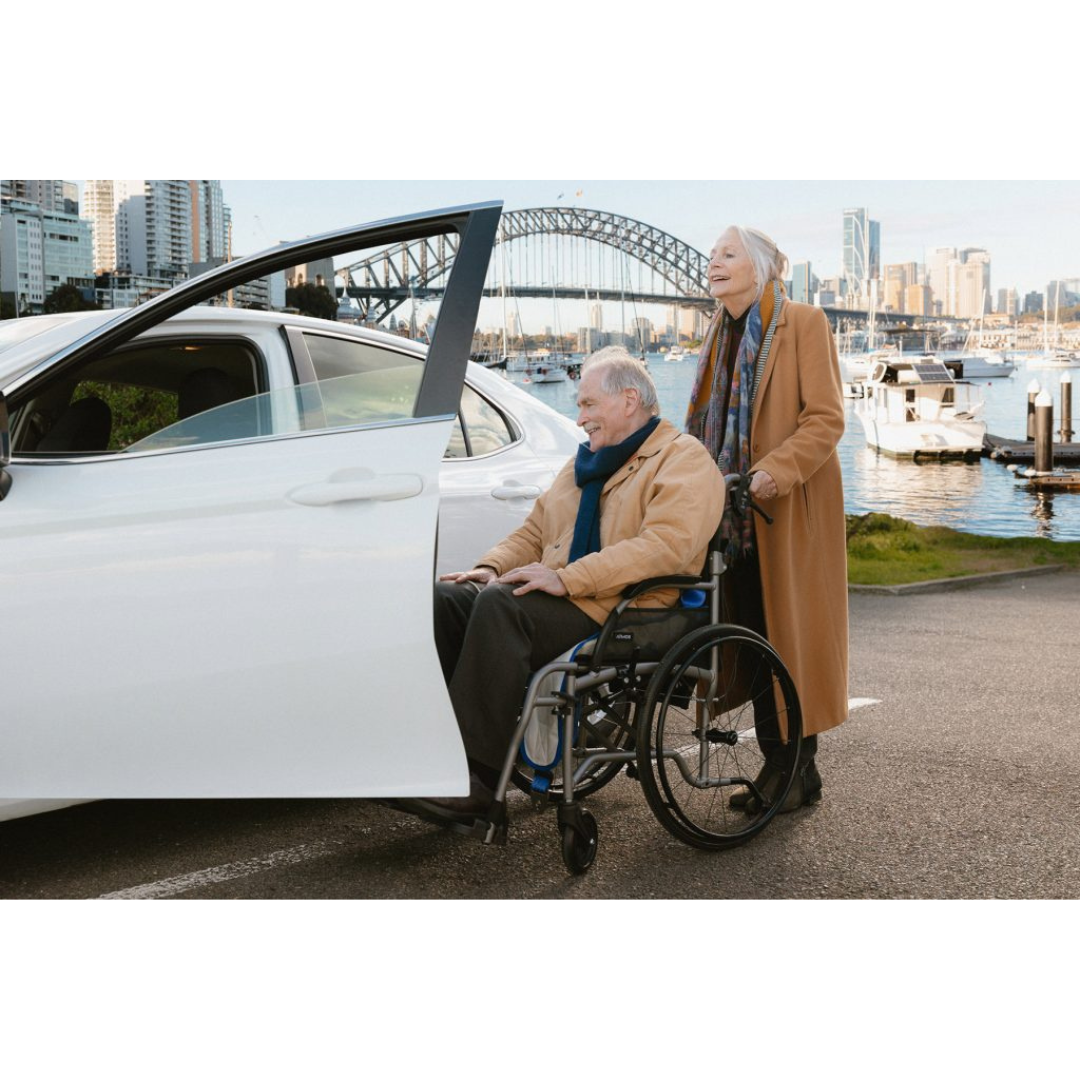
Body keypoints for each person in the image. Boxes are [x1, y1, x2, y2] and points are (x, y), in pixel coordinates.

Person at [404, 347, 724, 829]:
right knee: (445, 598)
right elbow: (534, 533)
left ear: (629, 400)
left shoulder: (683, 459)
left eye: (589, 404)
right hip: (569, 593)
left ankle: (479, 779)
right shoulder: (583, 464)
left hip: (628, 607)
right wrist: (489, 565)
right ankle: (433, 756)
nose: (580, 419)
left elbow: (666, 547)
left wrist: (567, 577)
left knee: (501, 608)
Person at [686, 225, 848, 812]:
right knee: (754, 640)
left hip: (783, 512)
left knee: (789, 641)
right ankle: (789, 772)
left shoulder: (803, 322)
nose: (715, 263)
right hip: (732, 514)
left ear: (759, 267)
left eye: (728, 255)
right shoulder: (718, 335)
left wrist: (774, 471)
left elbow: (827, 419)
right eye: (711, 256)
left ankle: (792, 769)